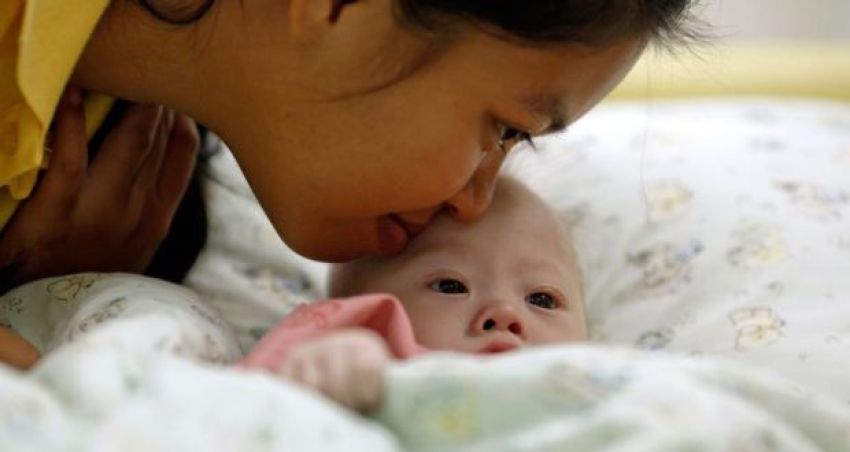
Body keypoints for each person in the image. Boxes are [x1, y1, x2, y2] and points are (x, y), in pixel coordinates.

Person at [0, 1, 696, 367]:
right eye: (505, 130)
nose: (475, 201)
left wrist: (55, 291)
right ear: (340, 6)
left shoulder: (117, 179)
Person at [241, 177, 586, 413]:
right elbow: (248, 410)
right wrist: (326, 364)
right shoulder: (367, 355)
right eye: (451, 286)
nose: (504, 313)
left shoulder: (594, 383)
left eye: (543, 299)